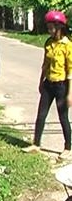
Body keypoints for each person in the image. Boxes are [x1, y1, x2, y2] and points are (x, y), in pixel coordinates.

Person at [22, 10, 72, 160]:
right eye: (48, 27)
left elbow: (71, 71)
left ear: (59, 27)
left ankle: (68, 147)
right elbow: (45, 64)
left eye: (52, 28)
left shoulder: (67, 45)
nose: (49, 30)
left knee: (63, 117)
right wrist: (40, 82)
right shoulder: (49, 43)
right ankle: (36, 144)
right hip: (48, 84)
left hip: (62, 85)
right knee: (41, 114)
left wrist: (70, 94)